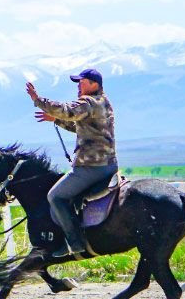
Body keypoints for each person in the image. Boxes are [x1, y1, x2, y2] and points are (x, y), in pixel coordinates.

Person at [26, 68, 118, 257]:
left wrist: (38, 100)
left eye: (82, 82)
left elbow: (68, 111)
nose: (78, 86)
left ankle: (73, 243)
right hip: (109, 165)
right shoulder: (104, 102)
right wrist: (57, 120)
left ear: (94, 85)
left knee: (55, 196)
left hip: (91, 168)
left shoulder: (88, 102)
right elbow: (82, 126)